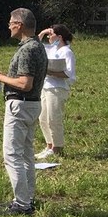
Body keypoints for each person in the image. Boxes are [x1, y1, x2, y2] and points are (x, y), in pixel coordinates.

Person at [0, 8, 48, 216]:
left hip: (20, 105)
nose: (9, 25)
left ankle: (22, 205)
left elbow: (25, 83)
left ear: (19, 25)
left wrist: (0, 78)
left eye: (11, 22)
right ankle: (27, 198)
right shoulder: (37, 46)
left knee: (12, 155)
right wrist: (2, 75)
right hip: (31, 105)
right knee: (27, 154)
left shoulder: (28, 49)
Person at [36, 24, 76, 160]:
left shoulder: (67, 52)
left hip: (57, 88)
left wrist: (50, 71)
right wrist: (42, 33)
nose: (48, 36)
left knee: (53, 118)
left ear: (59, 37)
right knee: (42, 118)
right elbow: (35, 47)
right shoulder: (49, 49)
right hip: (45, 86)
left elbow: (69, 74)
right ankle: (49, 145)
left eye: (51, 34)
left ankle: (57, 147)